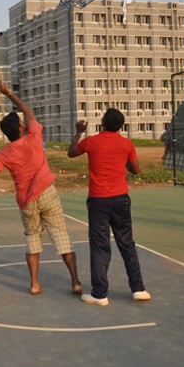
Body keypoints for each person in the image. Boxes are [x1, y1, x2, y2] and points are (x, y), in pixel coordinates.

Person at [0, 81, 81, 296]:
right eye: (21, 123)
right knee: (61, 237)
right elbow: (28, 111)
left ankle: (35, 283)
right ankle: (75, 282)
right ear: (20, 128)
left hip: (26, 201)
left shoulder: (3, 154)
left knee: (32, 241)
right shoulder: (34, 136)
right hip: (47, 193)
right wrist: (9, 93)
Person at [67, 109, 150, 306]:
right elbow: (136, 170)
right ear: (121, 126)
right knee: (127, 243)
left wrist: (78, 132)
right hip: (121, 199)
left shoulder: (91, 142)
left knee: (99, 246)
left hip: (98, 201)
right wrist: (123, 163)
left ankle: (100, 294)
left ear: (103, 122)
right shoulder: (126, 144)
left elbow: (71, 153)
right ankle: (138, 289)